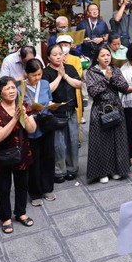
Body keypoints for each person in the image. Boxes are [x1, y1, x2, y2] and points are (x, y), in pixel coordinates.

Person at [0, 77, 36, 234]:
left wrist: (25, 116)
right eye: (7, 88)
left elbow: (32, 130)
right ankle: (5, 218)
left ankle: (21, 212)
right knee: (3, 188)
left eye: (13, 88)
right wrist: (15, 118)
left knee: (22, 185)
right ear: (0, 92)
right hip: (2, 156)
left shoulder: (23, 105)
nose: (12, 91)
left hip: (22, 152)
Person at [85, 44, 130, 183]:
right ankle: (102, 172)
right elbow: (93, 91)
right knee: (101, 141)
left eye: (108, 55)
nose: (106, 58)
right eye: (103, 55)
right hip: (99, 109)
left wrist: (112, 78)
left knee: (117, 140)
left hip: (116, 107)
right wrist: (106, 79)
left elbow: (125, 87)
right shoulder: (92, 72)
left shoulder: (115, 69)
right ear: (97, 58)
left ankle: (116, 169)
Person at [41, 44, 82, 182]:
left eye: (60, 54)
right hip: (55, 113)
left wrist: (65, 76)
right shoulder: (46, 72)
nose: (58, 57)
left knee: (73, 141)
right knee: (58, 144)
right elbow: (47, 90)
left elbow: (78, 84)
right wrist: (59, 76)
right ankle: (59, 171)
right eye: (55, 54)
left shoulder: (69, 68)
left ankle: (72, 169)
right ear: (48, 57)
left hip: (70, 110)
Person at [21, 59, 56, 207]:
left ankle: (47, 188)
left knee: (48, 157)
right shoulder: (20, 88)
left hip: (46, 124)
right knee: (34, 160)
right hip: (32, 127)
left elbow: (49, 100)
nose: (37, 78)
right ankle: (34, 192)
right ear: (26, 73)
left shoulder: (45, 84)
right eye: (34, 75)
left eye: (39, 74)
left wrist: (51, 106)